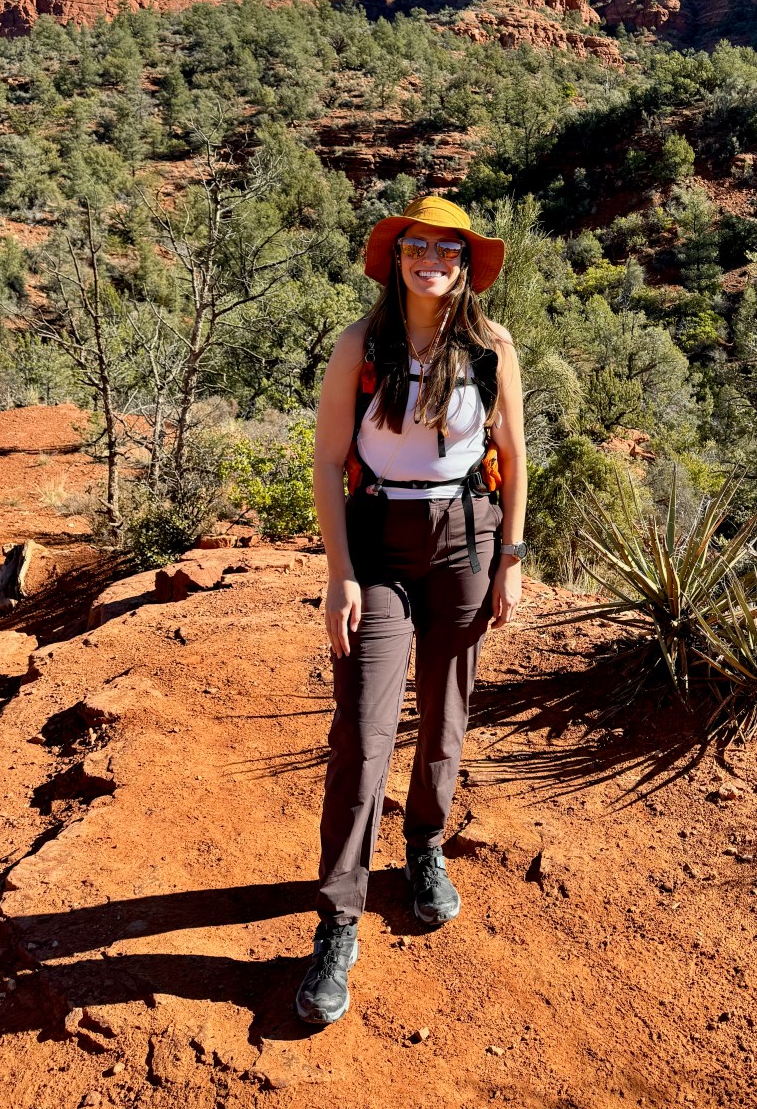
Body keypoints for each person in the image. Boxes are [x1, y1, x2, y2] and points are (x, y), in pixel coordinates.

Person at [295, 195, 528, 1026]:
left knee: (446, 711)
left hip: (467, 536)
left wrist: (510, 558)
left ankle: (423, 849)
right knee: (362, 728)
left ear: (466, 265)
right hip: (379, 540)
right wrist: (340, 573)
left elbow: (510, 455)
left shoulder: (491, 346)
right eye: (417, 245)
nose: (432, 257)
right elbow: (327, 462)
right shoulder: (361, 345)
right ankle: (338, 918)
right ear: (395, 257)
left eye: (449, 248)